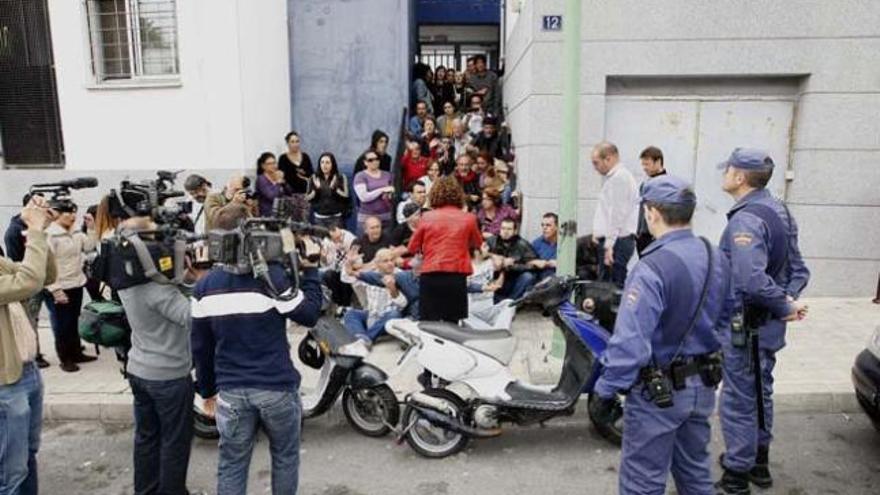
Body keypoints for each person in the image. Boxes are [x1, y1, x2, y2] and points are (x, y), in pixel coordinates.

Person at [590, 175, 736, 495]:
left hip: (659, 394)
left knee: (642, 482)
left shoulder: (651, 267)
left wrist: (606, 389)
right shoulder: (716, 256)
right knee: (696, 473)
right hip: (702, 386)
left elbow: (631, 343)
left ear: (651, 213)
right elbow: (727, 316)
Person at [191, 205, 323, 495]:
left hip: (232, 391)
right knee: (285, 457)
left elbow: (200, 346)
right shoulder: (272, 279)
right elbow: (309, 314)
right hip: (276, 386)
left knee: (232, 463)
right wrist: (311, 270)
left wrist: (207, 390)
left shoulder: (204, 288)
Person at [715, 148, 810, 494]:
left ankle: (736, 476)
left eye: (727, 169)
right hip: (767, 325)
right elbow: (799, 270)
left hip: (745, 325)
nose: (724, 173)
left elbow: (750, 280)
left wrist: (782, 304)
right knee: (761, 389)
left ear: (740, 177)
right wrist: (785, 302)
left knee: (739, 396)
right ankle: (759, 463)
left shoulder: (745, 220)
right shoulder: (779, 210)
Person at [114, 213, 204, 495]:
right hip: (169, 377)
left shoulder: (128, 283)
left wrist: (182, 278)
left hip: (139, 370)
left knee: (146, 438)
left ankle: (146, 490)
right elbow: (193, 316)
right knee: (174, 443)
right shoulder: (158, 292)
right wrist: (201, 281)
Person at [0, 195, 55, 495]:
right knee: (10, 473)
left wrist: (36, 230)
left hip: (27, 371)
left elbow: (44, 275)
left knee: (28, 456)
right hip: (5, 383)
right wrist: (34, 231)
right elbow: (27, 283)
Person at [408, 176, 483, 323]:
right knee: (452, 325)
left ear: (435, 194)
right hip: (456, 275)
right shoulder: (469, 218)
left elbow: (412, 247)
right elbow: (478, 243)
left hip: (431, 273)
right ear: (458, 195)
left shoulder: (427, 217)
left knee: (430, 324)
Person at [45, 202, 97, 373]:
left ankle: (76, 352)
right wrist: (55, 289)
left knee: (73, 319)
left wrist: (91, 228)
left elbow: (88, 247)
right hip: (60, 286)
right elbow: (46, 265)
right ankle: (65, 358)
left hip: (76, 283)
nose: (72, 216)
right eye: (68, 213)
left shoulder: (75, 232)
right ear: (57, 214)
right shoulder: (50, 235)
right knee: (62, 324)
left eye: (74, 212)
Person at [4, 193, 51, 369]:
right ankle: (35, 354)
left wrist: (41, 230)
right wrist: (36, 232)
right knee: (30, 320)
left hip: (39, 279)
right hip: (27, 284)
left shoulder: (33, 229)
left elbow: (49, 272)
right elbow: (23, 274)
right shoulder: (14, 231)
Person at [591, 141, 639, 287]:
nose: (595, 168)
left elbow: (617, 214)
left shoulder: (620, 178)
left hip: (617, 241)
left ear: (609, 159)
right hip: (616, 240)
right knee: (608, 286)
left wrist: (609, 245)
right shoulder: (617, 178)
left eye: (596, 163)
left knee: (610, 288)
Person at [341, 248, 407, 343]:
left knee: (394, 314)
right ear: (377, 264)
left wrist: (393, 289)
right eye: (385, 261)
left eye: (392, 260)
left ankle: (365, 340)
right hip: (372, 316)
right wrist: (348, 263)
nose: (390, 263)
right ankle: (361, 337)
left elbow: (403, 304)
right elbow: (346, 278)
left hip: (389, 320)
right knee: (350, 314)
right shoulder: (370, 275)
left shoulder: (401, 275)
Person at [486, 219, 538, 303]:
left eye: (509, 229)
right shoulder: (491, 241)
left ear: (515, 231)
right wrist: (496, 259)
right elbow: (480, 256)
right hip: (493, 280)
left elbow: (534, 265)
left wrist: (511, 266)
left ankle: (511, 302)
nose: (505, 232)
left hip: (513, 280)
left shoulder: (522, 244)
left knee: (528, 276)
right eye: (503, 228)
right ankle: (500, 301)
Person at [635, 146, 667, 255]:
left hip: (654, 237)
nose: (644, 168)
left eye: (647, 164)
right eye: (643, 164)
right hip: (642, 236)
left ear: (658, 162)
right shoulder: (646, 183)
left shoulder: (666, 184)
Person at [277, 131, 313, 223]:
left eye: (297, 141)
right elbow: (280, 176)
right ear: (287, 143)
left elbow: (311, 174)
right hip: (289, 196)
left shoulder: (305, 157)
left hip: (304, 195)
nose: (295, 144)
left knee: (304, 222)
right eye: (292, 142)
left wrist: (304, 173)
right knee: (291, 223)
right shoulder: (283, 158)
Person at [353, 152, 394, 233]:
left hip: (386, 218)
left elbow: (392, 190)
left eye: (376, 159)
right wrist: (382, 190)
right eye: (370, 160)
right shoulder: (360, 176)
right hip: (367, 219)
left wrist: (389, 195)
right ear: (365, 162)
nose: (374, 162)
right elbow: (364, 197)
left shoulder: (388, 175)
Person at [308, 152, 350, 227]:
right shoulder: (314, 177)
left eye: (327, 162)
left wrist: (334, 189)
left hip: (336, 218)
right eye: (322, 162)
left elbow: (346, 196)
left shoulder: (340, 177)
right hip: (319, 218)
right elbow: (308, 198)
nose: (324, 165)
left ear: (332, 164)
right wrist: (316, 190)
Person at [320, 222, 357, 307]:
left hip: (349, 267)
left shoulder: (350, 238)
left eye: (340, 236)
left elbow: (355, 258)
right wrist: (323, 257)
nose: (340, 239)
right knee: (329, 275)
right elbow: (325, 264)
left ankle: (346, 304)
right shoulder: (326, 242)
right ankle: (338, 302)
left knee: (345, 276)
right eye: (336, 238)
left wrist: (346, 251)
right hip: (335, 268)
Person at [254, 152, 290, 217]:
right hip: (267, 215)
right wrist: (278, 183)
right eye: (269, 164)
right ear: (263, 166)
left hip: (281, 213)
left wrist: (284, 183)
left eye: (274, 163)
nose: (273, 166)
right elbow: (272, 196)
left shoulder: (278, 176)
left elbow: (290, 192)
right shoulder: (261, 179)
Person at [531, 213, 558, 281]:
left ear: (557, 227)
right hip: (540, 279)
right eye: (542, 225)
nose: (544, 228)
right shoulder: (537, 243)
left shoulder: (566, 244)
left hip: (558, 280)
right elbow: (525, 260)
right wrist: (535, 262)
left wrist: (560, 264)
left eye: (548, 225)